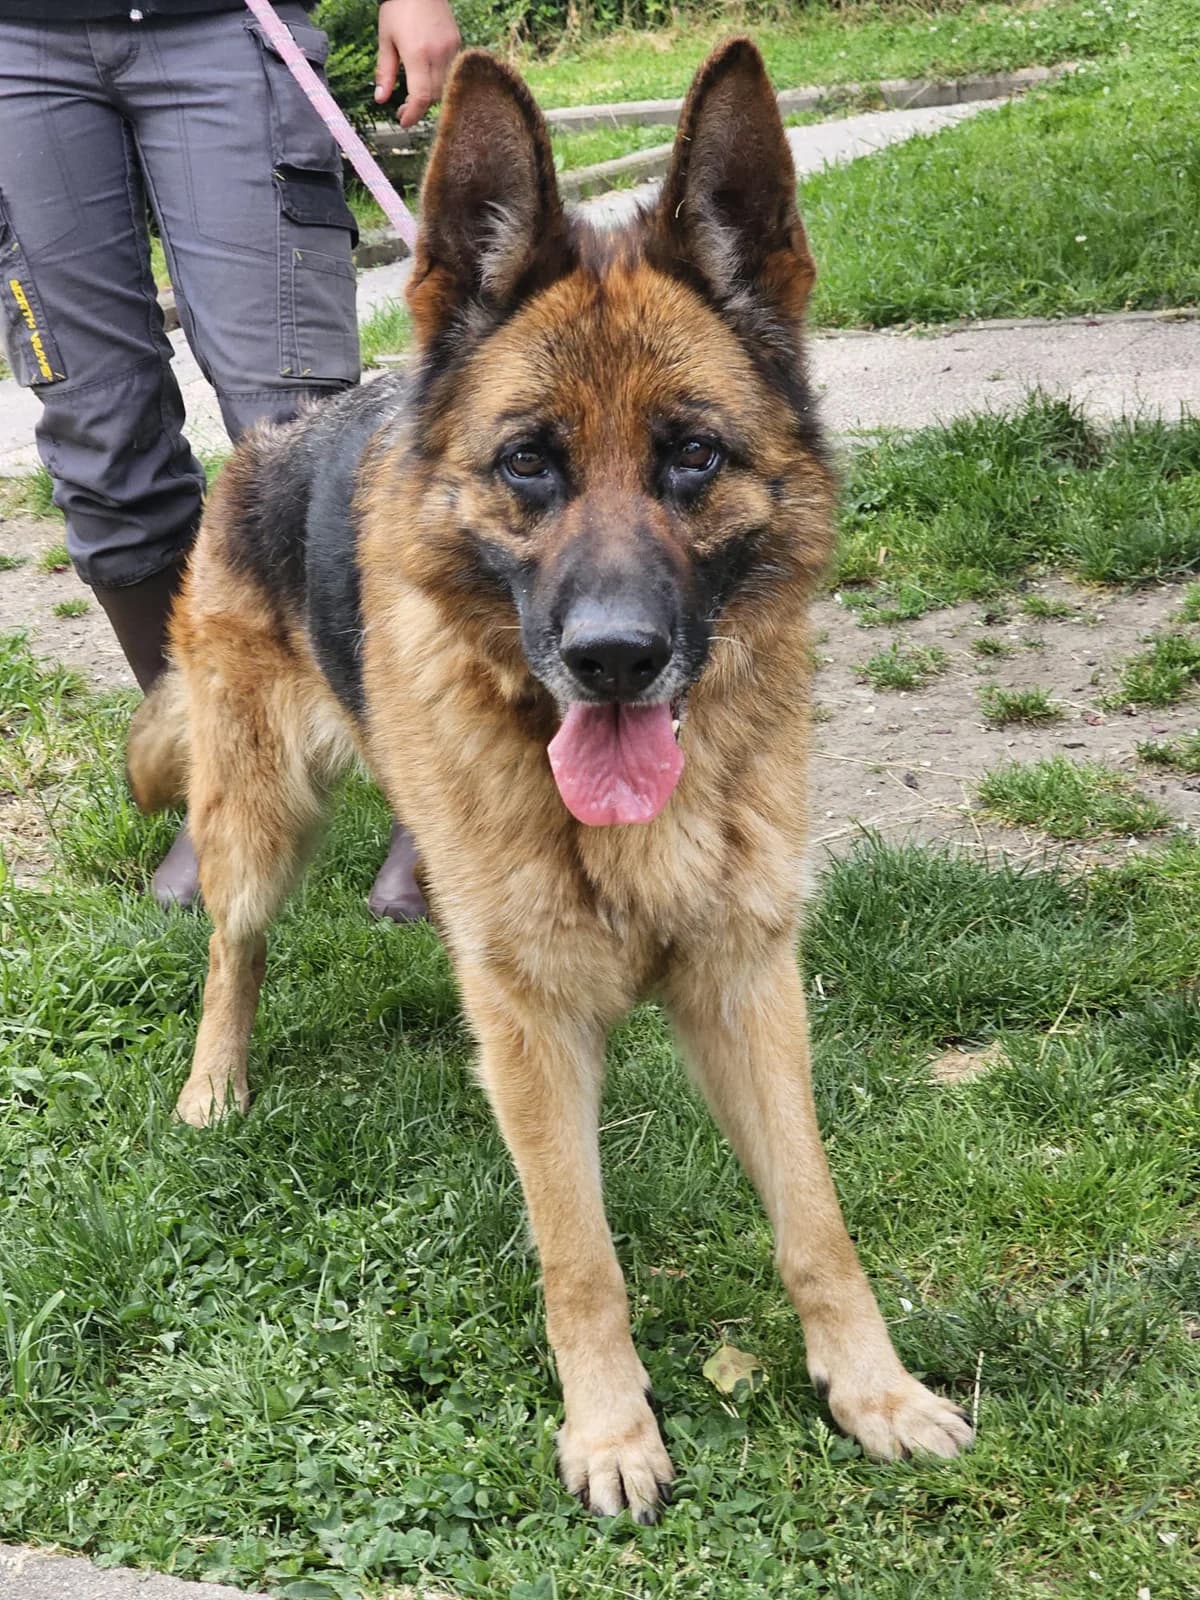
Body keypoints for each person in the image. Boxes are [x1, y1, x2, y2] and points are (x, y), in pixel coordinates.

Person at [0, 0, 458, 916]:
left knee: (307, 441)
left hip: (219, 22)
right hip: (20, 43)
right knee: (101, 440)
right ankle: (227, 767)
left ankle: (435, 780)